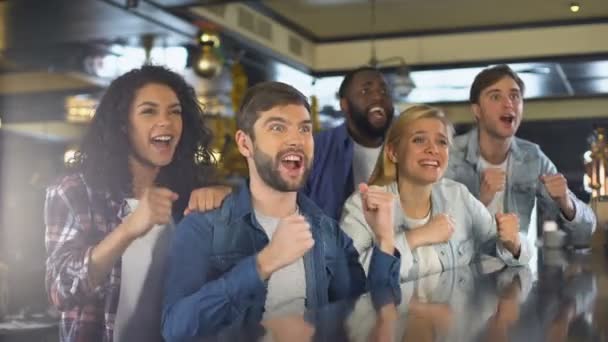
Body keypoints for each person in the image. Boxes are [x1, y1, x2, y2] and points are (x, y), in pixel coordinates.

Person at [162, 81, 401, 340]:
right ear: (245, 144)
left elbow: (365, 312)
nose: (295, 140)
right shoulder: (202, 227)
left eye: (304, 129)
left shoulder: (327, 231)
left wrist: (384, 239)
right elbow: (176, 329)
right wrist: (264, 264)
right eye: (277, 127)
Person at [44, 65, 230, 342]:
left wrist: (230, 200)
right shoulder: (75, 191)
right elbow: (61, 289)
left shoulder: (190, 196)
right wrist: (129, 228)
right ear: (123, 125)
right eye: (149, 111)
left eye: (175, 111)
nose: (166, 121)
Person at [341, 105, 531, 282]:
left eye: (442, 142)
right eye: (419, 140)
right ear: (393, 152)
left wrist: (514, 243)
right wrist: (416, 237)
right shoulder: (362, 204)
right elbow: (347, 278)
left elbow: (517, 251)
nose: (433, 149)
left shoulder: (458, 196)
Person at [445, 65, 596, 249]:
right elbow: (438, 228)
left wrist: (566, 202)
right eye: (495, 96)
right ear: (477, 110)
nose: (508, 103)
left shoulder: (533, 158)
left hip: (515, 268)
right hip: (463, 272)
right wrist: (481, 201)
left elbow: (587, 230)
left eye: (515, 96)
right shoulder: (450, 154)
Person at [303, 66, 395, 220]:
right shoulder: (316, 149)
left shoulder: (403, 150)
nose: (378, 97)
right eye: (366, 91)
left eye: (383, 91)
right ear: (344, 105)